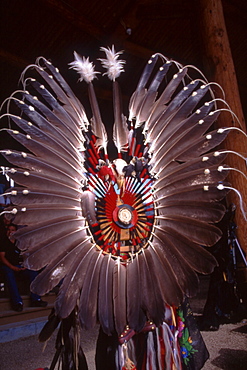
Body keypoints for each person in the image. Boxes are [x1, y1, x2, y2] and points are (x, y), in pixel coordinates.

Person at [0, 223, 47, 312]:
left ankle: (36, 299)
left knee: (33, 273)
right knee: (9, 274)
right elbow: (2, 257)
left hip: (20, 266)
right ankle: (17, 302)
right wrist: (12, 267)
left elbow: (26, 255)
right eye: (9, 230)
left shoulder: (20, 242)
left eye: (12, 230)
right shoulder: (3, 241)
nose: (10, 232)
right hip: (8, 266)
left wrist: (25, 266)